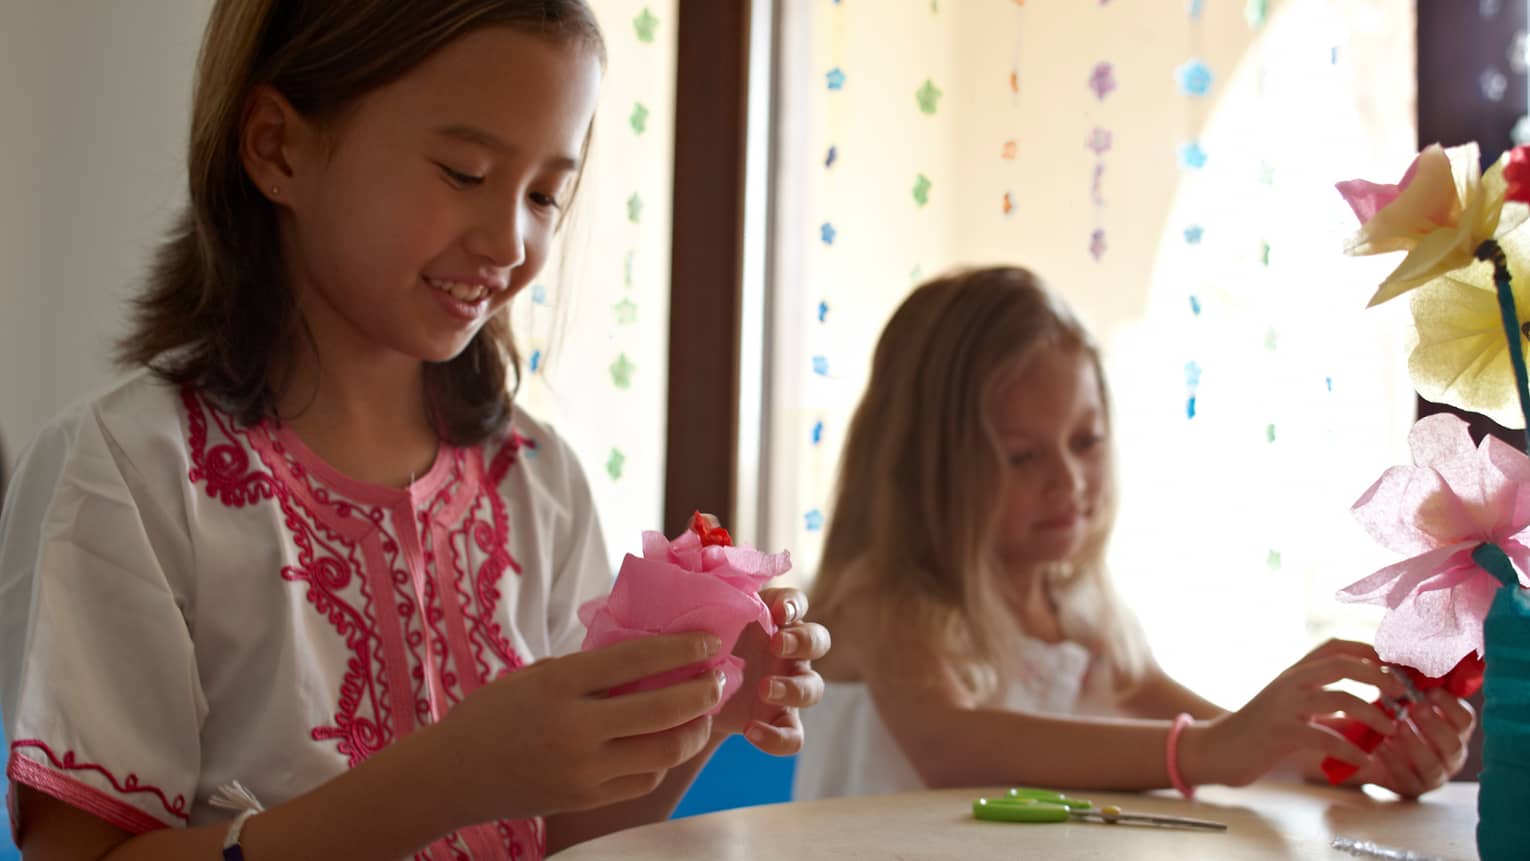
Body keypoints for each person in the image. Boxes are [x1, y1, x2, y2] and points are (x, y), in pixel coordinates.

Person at [0, 2, 827, 858]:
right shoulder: (125, 475)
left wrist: (701, 716)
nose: (511, 240)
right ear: (278, 148)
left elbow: (563, 835)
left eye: (546, 194)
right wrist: (448, 776)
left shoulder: (538, 479)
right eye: (465, 172)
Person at [793, 265, 1472, 801]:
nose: (1068, 481)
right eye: (1022, 455)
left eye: (1085, 440)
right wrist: (1201, 751)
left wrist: (1360, 757)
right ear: (929, 468)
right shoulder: (884, 603)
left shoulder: (1082, 620)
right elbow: (952, 745)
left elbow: (1240, 742)